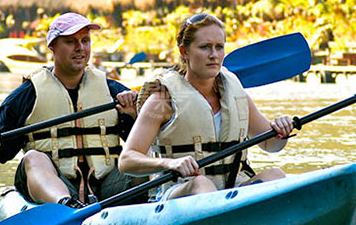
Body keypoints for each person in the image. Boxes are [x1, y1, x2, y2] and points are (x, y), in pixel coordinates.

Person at [0, 12, 141, 209]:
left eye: (85, 41)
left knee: (143, 156)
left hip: (110, 188)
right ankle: (67, 206)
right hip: (57, 189)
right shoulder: (27, 96)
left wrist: (135, 115)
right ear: (52, 46)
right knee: (33, 158)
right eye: (70, 42)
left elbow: (146, 145)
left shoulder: (114, 92)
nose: (80, 48)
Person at [119, 13, 294, 201]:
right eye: (205, 47)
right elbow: (127, 160)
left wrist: (281, 131)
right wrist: (170, 163)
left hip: (232, 187)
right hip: (182, 190)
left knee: (275, 175)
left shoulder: (235, 92)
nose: (214, 55)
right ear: (184, 52)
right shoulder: (162, 98)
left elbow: (270, 145)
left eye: (219, 47)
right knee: (201, 184)